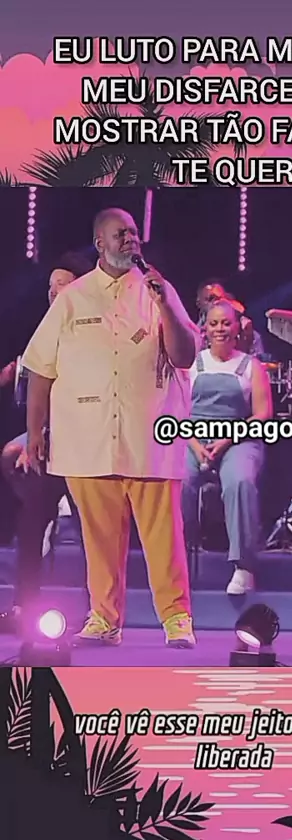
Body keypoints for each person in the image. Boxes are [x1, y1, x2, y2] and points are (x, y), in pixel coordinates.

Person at [21, 208, 200, 648]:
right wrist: (35, 433)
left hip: (150, 435)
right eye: (121, 234)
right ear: (100, 243)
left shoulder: (158, 290)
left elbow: (184, 356)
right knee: (99, 538)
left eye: (134, 233)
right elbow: (40, 368)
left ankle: (177, 618)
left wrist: (164, 304)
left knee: (164, 536)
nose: (130, 240)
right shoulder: (73, 298)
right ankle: (104, 618)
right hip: (88, 437)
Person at [0, 254, 92, 633]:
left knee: (92, 532)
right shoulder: (43, 334)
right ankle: (23, 606)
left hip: (87, 446)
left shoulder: (92, 333)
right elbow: (36, 389)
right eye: (50, 286)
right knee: (30, 521)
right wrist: (35, 437)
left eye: (62, 285)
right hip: (50, 443)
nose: (54, 292)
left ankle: (100, 613)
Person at [182, 299, 272, 594]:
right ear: (205, 329)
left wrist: (227, 439)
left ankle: (244, 567)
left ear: (237, 328)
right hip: (192, 437)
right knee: (177, 481)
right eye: (214, 323)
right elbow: (177, 411)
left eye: (226, 323)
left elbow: (262, 414)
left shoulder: (251, 366)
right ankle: (175, 561)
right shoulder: (191, 364)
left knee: (240, 482)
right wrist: (195, 444)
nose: (220, 328)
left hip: (238, 438)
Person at [196, 280, 265, 356]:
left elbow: (258, 361)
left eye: (220, 298)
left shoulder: (249, 333)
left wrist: (246, 345)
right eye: (211, 299)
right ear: (199, 303)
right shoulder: (193, 335)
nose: (216, 303)